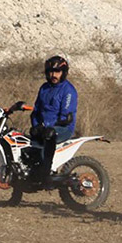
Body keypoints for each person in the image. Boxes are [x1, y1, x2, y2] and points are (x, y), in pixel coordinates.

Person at [29, 55, 78, 184]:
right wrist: (37, 125)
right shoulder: (44, 88)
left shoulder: (68, 91)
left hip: (63, 128)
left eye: (57, 72)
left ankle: (46, 172)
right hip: (45, 127)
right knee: (29, 138)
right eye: (50, 72)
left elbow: (66, 117)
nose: (53, 75)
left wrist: (47, 127)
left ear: (63, 73)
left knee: (49, 134)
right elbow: (36, 111)